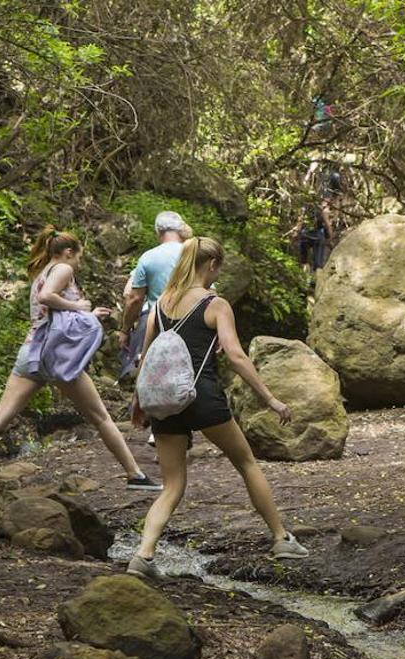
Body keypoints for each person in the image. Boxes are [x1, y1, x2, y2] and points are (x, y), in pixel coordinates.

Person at [127, 236, 309, 579]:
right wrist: (269, 399)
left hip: (166, 403)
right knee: (245, 462)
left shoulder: (162, 303)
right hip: (202, 398)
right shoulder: (215, 304)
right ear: (210, 265)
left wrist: (138, 402)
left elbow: (147, 357)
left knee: (172, 486)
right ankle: (281, 538)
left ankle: (142, 555)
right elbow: (236, 355)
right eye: (217, 268)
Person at [0, 226, 161, 491]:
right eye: (78, 257)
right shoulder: (63, 269)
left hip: (32, 353)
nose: (78, 263)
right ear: (67, 252)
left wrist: (88, 315)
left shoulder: (41, 273)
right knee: (101, 418)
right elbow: (47, 297)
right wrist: (80, 306)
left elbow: (51, 313)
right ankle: (135, 475)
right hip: (57, 356)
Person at [117, 211, 191, 378]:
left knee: (149, 371)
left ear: (158, 232)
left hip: (157, 323)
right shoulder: (194, 255)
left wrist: (125, 330)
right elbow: (210, 293)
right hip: (192, 321)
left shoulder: (148, 257)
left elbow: (134, 298)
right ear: (180, 230)